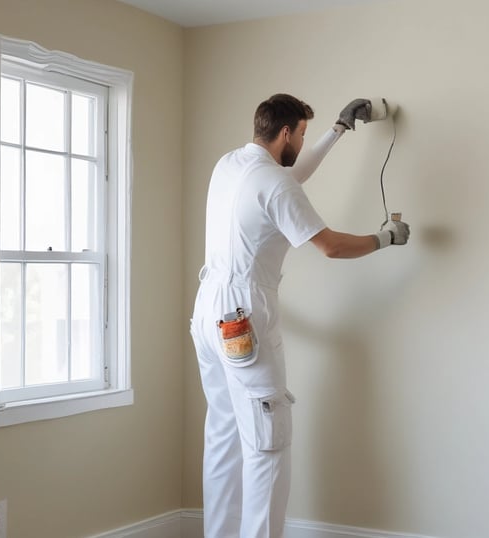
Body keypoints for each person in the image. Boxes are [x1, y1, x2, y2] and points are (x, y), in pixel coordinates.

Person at [190, 94, 410, 538]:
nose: (303, 140)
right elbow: (330, 245)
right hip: (243, 316)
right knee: (268, 446)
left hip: (208, 311)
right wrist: (383, 238)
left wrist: (338, 130)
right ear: (286, 133)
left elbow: (288, 177)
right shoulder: (275, 185)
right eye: (303, 134)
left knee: (224, 439)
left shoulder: (230, 165)